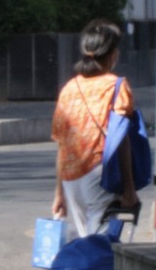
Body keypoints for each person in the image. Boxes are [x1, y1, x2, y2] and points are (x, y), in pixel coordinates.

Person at [51, 16, 146, 238]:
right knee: (101, 243)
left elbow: (61, 144)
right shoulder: (116, 86)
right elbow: (121, 138)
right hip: (99, 172)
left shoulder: (69, 88)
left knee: (86, 238)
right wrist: (129, 189)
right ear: (113, 54)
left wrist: (59, 194)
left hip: (70, 177)